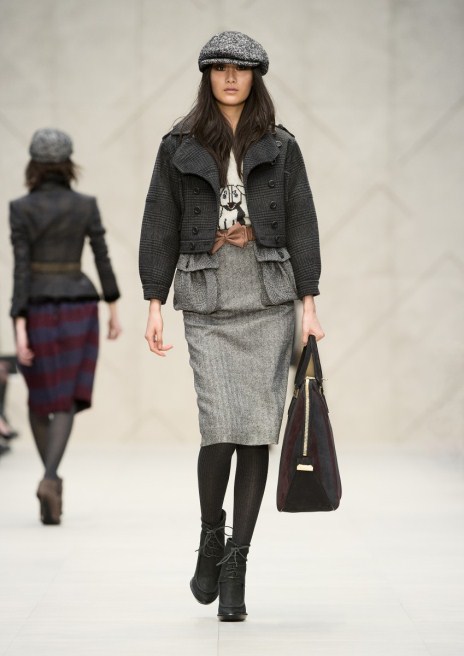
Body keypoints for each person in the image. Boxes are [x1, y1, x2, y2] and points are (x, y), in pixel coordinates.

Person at [139, 31, 324, 621]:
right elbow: (159, 220)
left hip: (269, 295)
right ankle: (210, 537)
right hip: (208, 295)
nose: (229, 77)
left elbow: (302, 220)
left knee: (256, 432)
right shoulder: (179, 145)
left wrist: (310, 305)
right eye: (219, 67)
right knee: (219, 427)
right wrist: (153, 300)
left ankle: (238, 562)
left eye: (240, 69)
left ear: (255, 77)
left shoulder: (281, 145)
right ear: (207, 76)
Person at [9, 128, 122, 525]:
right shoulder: (85, 205)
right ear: (69, 164)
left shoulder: (20, 208)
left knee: (40, 399)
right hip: (79, 305)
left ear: (34, 166)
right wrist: (113, 308)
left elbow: (21, 270)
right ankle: (50, 477)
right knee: (68, 397)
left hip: (37, 308)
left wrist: (18, 325)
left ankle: (51, 479)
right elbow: (101, 256)